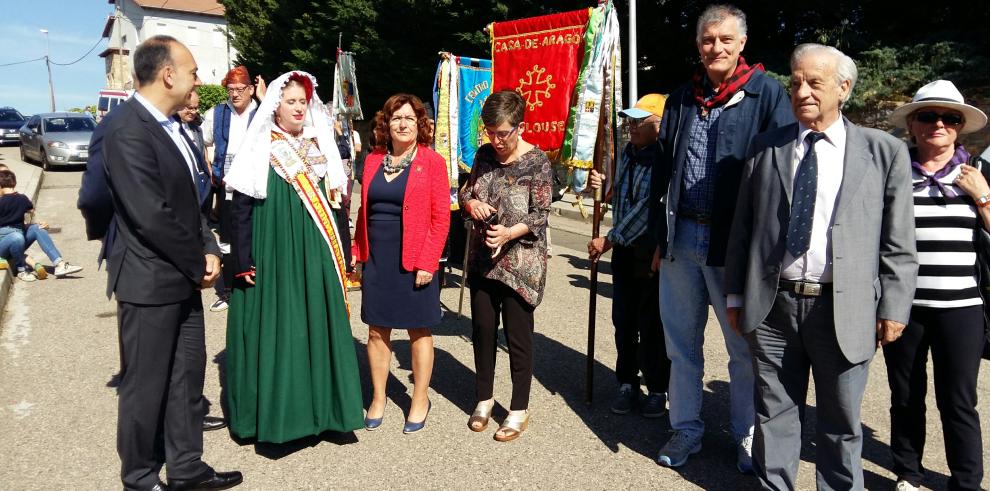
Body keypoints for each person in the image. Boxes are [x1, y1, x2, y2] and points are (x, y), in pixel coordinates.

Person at [724, 43, 918, 489]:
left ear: (843, 88)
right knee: (773, 414)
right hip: (773, 306)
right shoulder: (767, 147)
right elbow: (744, 228)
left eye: (815, 82)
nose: (803, 91)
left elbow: (899, 240)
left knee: (841, 422)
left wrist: (893, 307)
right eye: (796, 82)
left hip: (843, 308)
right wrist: (736, 294)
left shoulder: (883, 151)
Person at [649, 3, 794, 471]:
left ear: (742, 44)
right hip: (681, 240)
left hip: (734, 246)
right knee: (681, 347)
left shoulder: (767, 96)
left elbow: (783, 176)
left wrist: (768, 251)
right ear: (698, 45)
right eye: (708, 40)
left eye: (725, 40)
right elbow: (661, 174)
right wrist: (658, 240)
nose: (716, 48)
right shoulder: (680, 100)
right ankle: (686, 428)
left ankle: (746, 434)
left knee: (743, 349)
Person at [101, 35, 241, 490]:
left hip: (181, 275)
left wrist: (209, 247)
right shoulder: (127, 129)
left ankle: (186, 468)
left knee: (186, 379)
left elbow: (192, 202)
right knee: (145, 388)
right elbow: (150, 214)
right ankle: (140, 477)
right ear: (168, 75)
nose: (199, 80)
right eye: (194, 71)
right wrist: (197, 261)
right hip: (149, 282)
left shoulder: (170, 127)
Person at [222, 71, 363, 443]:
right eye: (291, 101)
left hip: (315, 249)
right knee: (282, 322)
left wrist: (344, 253)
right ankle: (284, 416)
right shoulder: (261, 144)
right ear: (276, 106)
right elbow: (241, 207)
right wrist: (242, 259)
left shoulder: (320, 146)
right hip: (276, 247)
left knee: (318, 319)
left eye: (303, 101)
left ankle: (327, 411)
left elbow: (336, 205)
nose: (299, 108)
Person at [883, 80, 988, 491]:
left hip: (962, 307)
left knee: (959, 401)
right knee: (905, 395)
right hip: (903, 306)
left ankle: (966, 482)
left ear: (961, 127)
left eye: (950, 118)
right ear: (912, 124)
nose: (938, 124)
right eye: (928, 115)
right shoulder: (893, 174)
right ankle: (908, 472)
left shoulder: (979, 175)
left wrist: (983, 199)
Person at [352, 93, 449, 434]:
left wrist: (428, 261)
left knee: (418, 329)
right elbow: (364, 211)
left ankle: (420, 398)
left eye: (409, 118)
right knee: (377, 330)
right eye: (396, 118)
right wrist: (358, 252)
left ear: (419, 124)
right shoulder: (374, 160)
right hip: (377, 257)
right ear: (386, 125)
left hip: (414, 259)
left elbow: (441, 219)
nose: (402, 123)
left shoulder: (432, 162)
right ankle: (378, 396)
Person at [459, 90, 552, 442]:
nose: (496, 140)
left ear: (520, 127)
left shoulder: (538, 162)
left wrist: (509, 232)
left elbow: (541, 214)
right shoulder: (484, 155)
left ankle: (518, 409)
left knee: (517, 337)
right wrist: (472, 207)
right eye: (490, 132)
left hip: (521, 263)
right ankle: (484, 398)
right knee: (482, 330)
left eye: (503, 133)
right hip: (484, 259)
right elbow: (465, 192)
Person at [587, 94, 671, 417]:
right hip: (623, 252)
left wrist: (608, 238)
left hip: (649, 252)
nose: (632, 127)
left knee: (650, 323)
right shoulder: (628, 152)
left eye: (640, 121)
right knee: (623, 319)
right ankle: (626, 382)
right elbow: (621, 193)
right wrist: (604, 183)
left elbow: (645, 209)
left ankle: (658, 388)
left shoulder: (663, 158)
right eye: (631, 121)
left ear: (658, 125)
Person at [202, 66, 263, 313]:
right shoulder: (215, 114)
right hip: (226, 186)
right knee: (227, 239)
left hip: (255, 187)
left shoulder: (262, 114)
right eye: (231, 90)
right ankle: (229, 292)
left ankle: (256, 288)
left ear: (250, 89)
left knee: (253, 236)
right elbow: (202, 142)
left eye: (240, 89)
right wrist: (211, 171)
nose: (235, 94)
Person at [0, 169, 83, 281]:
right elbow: (30, 209)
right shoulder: (22, 198)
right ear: (14, 183)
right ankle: (21, 270)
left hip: (16, 238)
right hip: (4, 245)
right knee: (17, 236)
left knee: (37, 228)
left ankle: (59, 264)